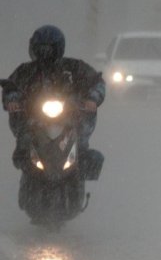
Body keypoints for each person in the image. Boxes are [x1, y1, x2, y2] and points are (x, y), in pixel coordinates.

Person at [2, 25, 105, 169]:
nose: (45, 53)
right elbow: (11, 86)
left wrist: (92, 99)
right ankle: (26, 158)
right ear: (34, 48)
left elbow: (96, 81)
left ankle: (80, 158)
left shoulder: (73, 67)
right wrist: (13, 99)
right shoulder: (26, 71)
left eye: (49, 49)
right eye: (41, 48)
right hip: (35, 118)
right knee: (24, 141)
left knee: (80, 140)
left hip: (68, 117)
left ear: (58, 49)